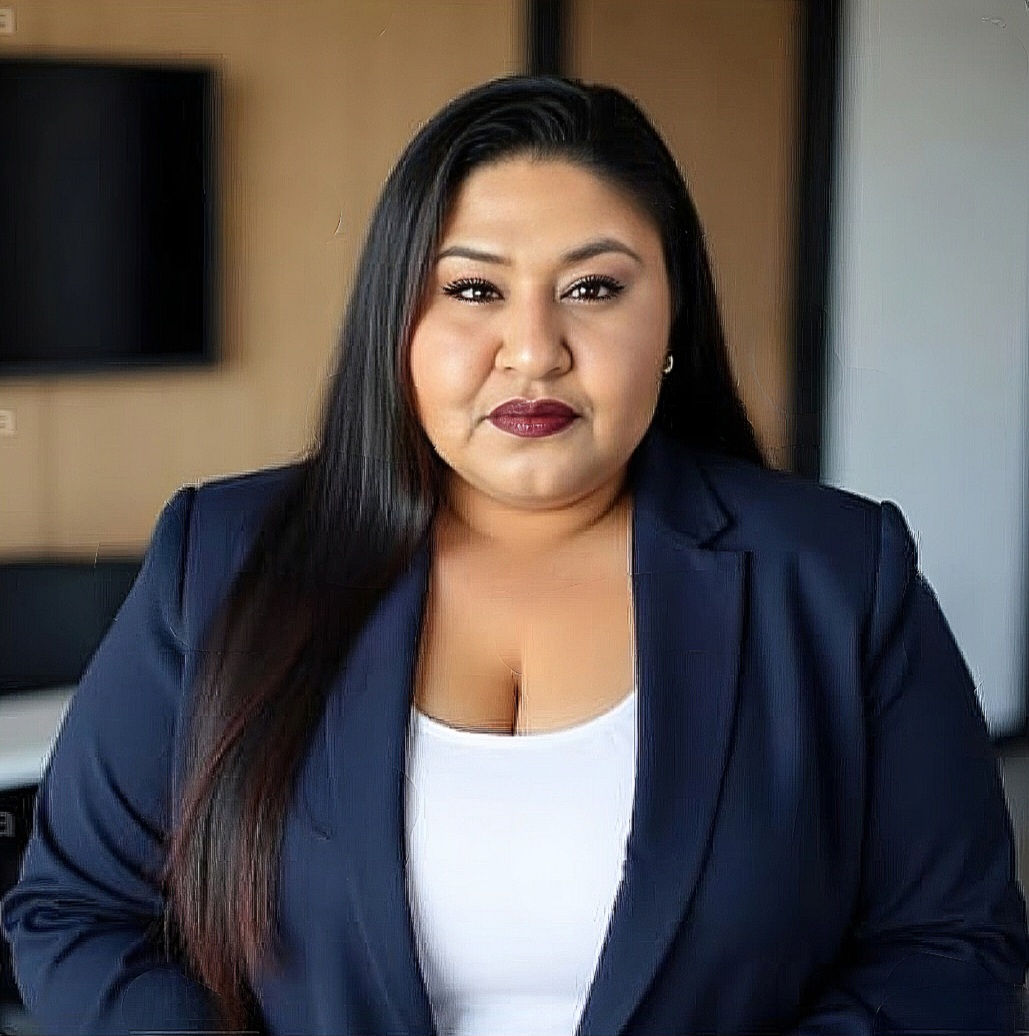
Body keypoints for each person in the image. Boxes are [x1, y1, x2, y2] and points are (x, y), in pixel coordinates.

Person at [2, 73, 1027, 1036]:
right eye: (474, 290)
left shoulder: (841, 577)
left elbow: (951, 946)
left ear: (672, 316)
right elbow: (80, 910)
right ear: (397, 321)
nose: (534, 349)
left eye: (594, 288)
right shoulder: (222, 559)